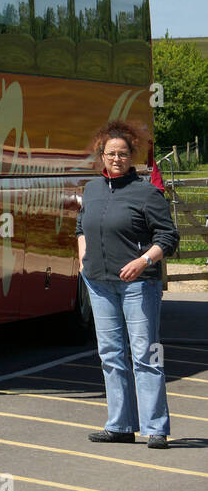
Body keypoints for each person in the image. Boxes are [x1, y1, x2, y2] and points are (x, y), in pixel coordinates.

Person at [75, 120, 178, 449]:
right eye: (110, 153)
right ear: (101, 155)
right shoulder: (91, 190)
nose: (116, 158)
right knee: (110, 355)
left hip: (138, 285)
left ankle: (155, 428)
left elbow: (169, 237)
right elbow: (81, 227)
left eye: (122, 153)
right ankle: (119, 425)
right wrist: (82, 261)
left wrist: (143, 261)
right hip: (99, 283)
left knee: (146, 355)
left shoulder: (146, 193)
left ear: (131, 156)